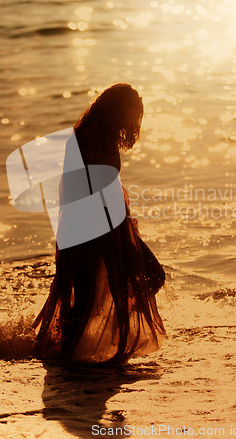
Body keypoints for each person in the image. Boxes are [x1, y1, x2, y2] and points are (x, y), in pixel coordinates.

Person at [32, 83, 166, 366]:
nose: (130, 124)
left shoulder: (107, 137)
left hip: (113, 222)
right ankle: (65, 359)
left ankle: (111, 337)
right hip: (84, 228)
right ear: (113, 110)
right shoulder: (81, 139)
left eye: (134, 118)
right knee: (82, 295)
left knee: (152, 276)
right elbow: (74, 189)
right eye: (128, 116)